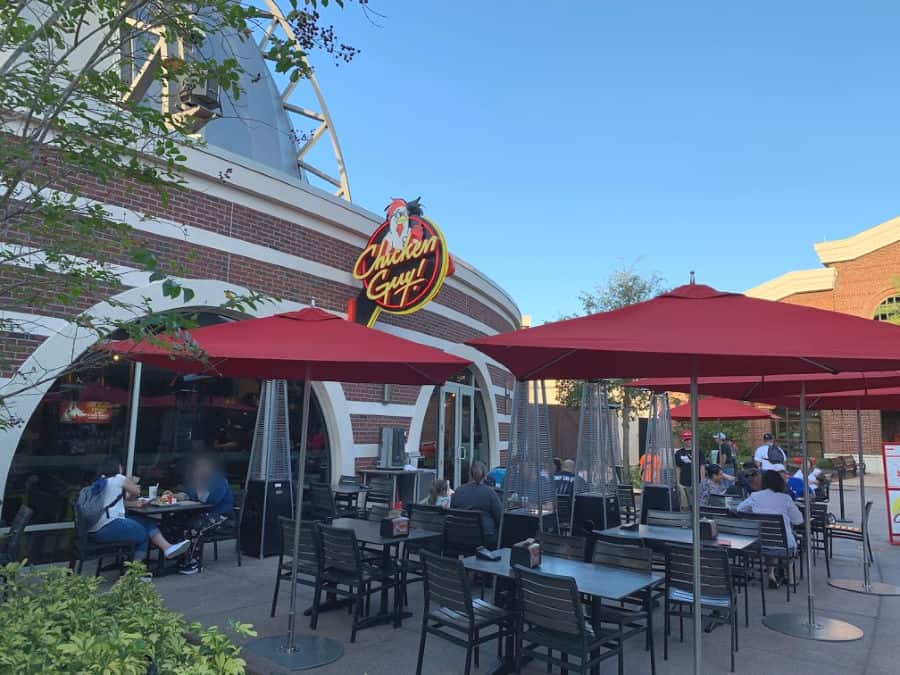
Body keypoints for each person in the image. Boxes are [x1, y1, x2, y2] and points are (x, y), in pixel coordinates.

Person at [88, 457, 190, 565]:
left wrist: (132, 502)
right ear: (118, 468)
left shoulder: (98, 483)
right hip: (110, 527)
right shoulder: (118, 478)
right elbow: (136, 492)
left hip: (93, 530)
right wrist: (131, 483)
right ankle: (135, 572)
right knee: (142, 534)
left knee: (146, 522)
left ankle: (167, 548)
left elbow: (117, 503)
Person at [736, 470, 803, 588]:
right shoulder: (785, 498)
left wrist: (754, 513)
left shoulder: (755, 496)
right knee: (788, 538)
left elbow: (740, 509)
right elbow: (798, 520)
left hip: (761, 543)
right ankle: (790, 576)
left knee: (769, 539)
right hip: (784, 545)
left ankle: (771, 574)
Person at [169, 455, 234, 575]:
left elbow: (209, 500)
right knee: (176, 521)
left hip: (221, 516)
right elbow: (189, 494)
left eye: (200, 468)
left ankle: (194, 562)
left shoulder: (218, 481)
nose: (197, 471)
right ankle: (180, 558)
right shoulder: (199, 480)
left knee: (195, 526)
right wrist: (176, 495)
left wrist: (199, 484)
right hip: (203, 514)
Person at [450, 460, 503, 546]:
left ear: (470, 474)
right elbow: (500, 518)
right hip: (484, 539)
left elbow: (452, 512)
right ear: (485, 475)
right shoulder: (490, 492)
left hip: (459, 537)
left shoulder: (458, 491)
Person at [674, 430, 705, 510]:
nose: (688, 441)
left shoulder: (698, 451)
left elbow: (702, 466)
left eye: (690, 439)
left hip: (696, 482)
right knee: (684, 505)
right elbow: (678, 468)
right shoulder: (678, 453)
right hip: (683, 482)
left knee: (696, 504)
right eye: (686, 439)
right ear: (682, 440)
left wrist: (702, 481)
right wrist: (678, 482)